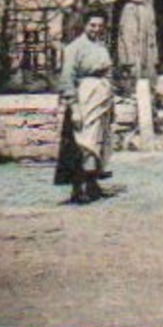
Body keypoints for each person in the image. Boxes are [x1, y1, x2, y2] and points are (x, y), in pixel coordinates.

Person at [55, 11, 115, 203]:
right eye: (92, 25)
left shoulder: (101, 46)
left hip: (101, 96)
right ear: (85, 25)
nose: (96, 29)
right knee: (82, 143)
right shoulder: (75, 47)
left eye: (100, 26)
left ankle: (92, 184)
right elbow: (67, 78)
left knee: (99, 141)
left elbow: (107, 70)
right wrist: (74, 107)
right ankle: (77, 188)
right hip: (84, 97)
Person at [106, 0, 159, 85]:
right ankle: (129, 67)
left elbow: (150, 4)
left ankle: (143, 70)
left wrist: (152, 22)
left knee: (143, 41)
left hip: (144, 14)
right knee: (129, 39)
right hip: (130, 15)